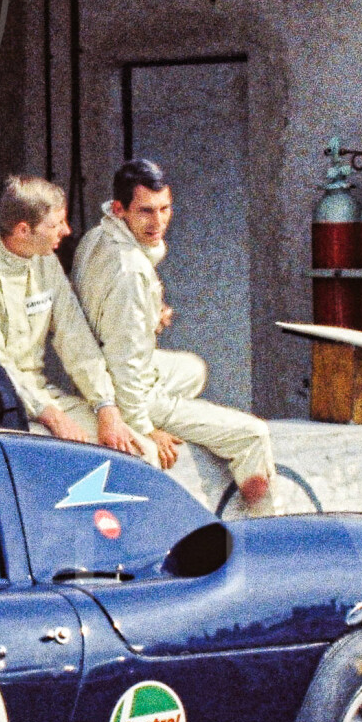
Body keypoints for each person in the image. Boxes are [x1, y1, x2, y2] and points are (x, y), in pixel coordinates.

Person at [73, 158, 277, 509]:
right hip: (126, 389)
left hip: (104, 364)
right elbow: (126, 363)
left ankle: (176, 414)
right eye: (146, 211)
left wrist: (148, 312)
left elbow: (114, 316)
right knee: (254, 435)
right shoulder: (131, 272)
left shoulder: (98, 236)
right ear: (120, 209)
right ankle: (266, 527)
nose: (158, 222)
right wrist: (143, 428)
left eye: (164, 208)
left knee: (194, 370)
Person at [0, 176, 145, 457]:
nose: (67, 230)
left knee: (138, 451)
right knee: (86, 456)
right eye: (56, 224)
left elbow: (75, 336)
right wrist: (53, 416)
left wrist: (105, 405)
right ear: (23, 230)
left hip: (43, 397)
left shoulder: (45, 261)